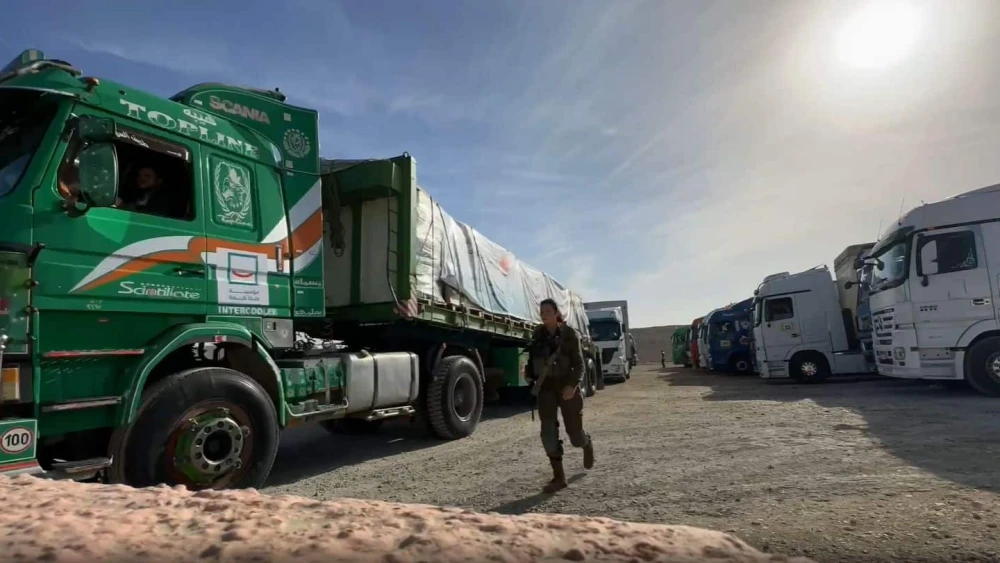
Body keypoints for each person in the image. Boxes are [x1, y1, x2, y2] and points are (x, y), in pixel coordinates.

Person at [524, 298, 594, 494]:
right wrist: (529, 373)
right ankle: (559, 477)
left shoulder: (569, 334)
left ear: (556, 313)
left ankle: (586, 443)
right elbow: (532, 358)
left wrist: (572, 385)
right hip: (546, 388)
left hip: (566, 387)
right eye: (541, 310)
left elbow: (579, 365)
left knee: (575, 435)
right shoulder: (538, 334)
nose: (543, 313)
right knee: (548, 431)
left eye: (547, 310)